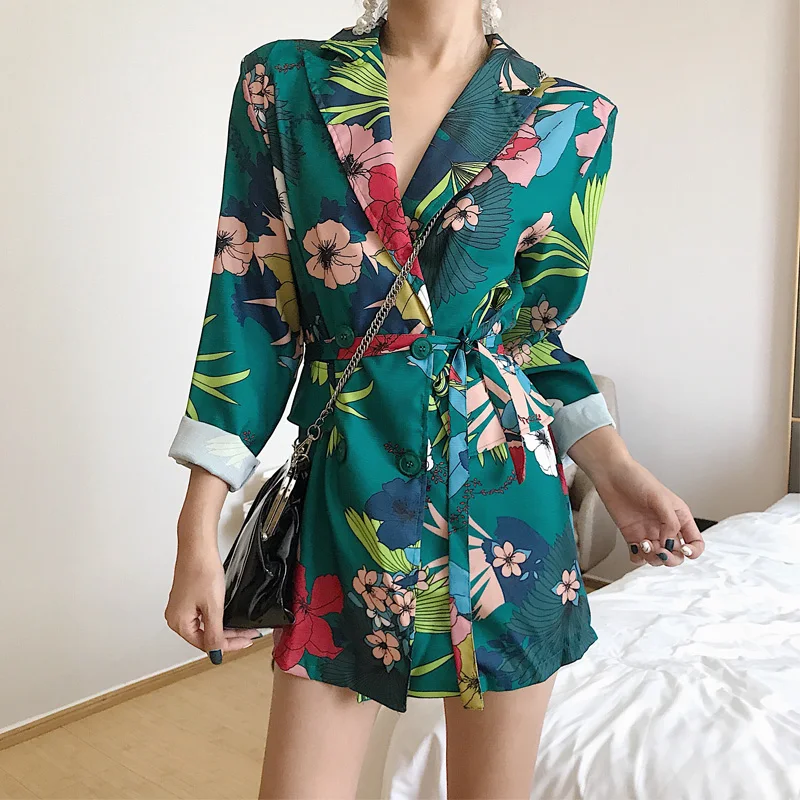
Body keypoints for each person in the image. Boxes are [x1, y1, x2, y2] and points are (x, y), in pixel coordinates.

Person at [164, 1, 706, 797]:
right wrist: (196, 530)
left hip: (507, 500)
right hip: (349, 494)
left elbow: (533, 337)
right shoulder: (284, 81)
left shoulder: (573, 117)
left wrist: (617, 471)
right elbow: (248, 314)